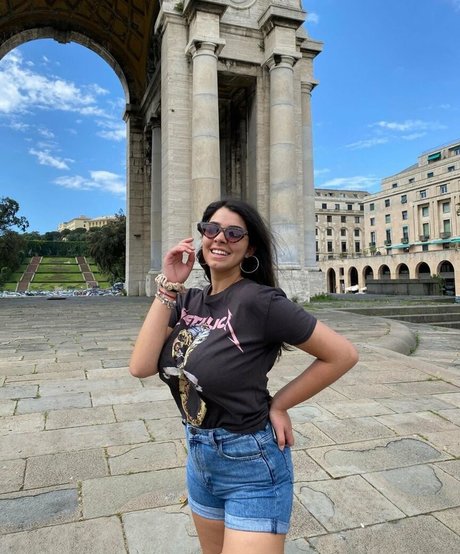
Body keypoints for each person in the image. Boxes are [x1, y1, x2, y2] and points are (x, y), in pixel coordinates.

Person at [129, 199, 358, 554]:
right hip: (200, 459)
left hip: (251, 465)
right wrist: (168, 287)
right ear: (202, 238)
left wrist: (280, 405)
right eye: (211, 229)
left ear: (250, 248)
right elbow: (141, 366)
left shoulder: (261, 301)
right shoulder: (187, 301)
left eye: (234, 233)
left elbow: (342, 354)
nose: (220, 238)